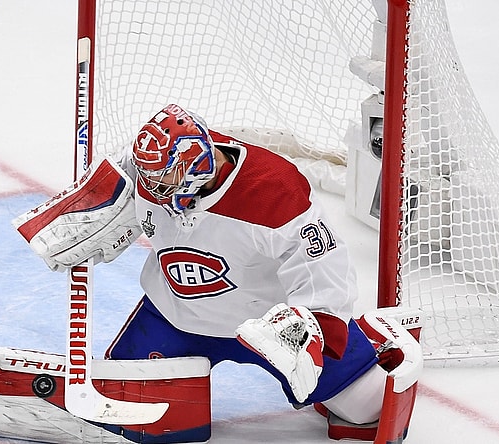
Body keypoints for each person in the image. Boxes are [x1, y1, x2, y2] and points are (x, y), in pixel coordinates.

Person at [104, 103, 418, 429]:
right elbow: (123, 182)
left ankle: (371, 337)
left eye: (164, 178)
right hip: (175, 314)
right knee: (123, 409)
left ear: (195, 164)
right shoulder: (153, 171)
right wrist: (88, 205)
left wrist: (312, 326)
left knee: (368, 407)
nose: (153, 188)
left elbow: (324, 264)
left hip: (270, 327)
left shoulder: (274, 189)